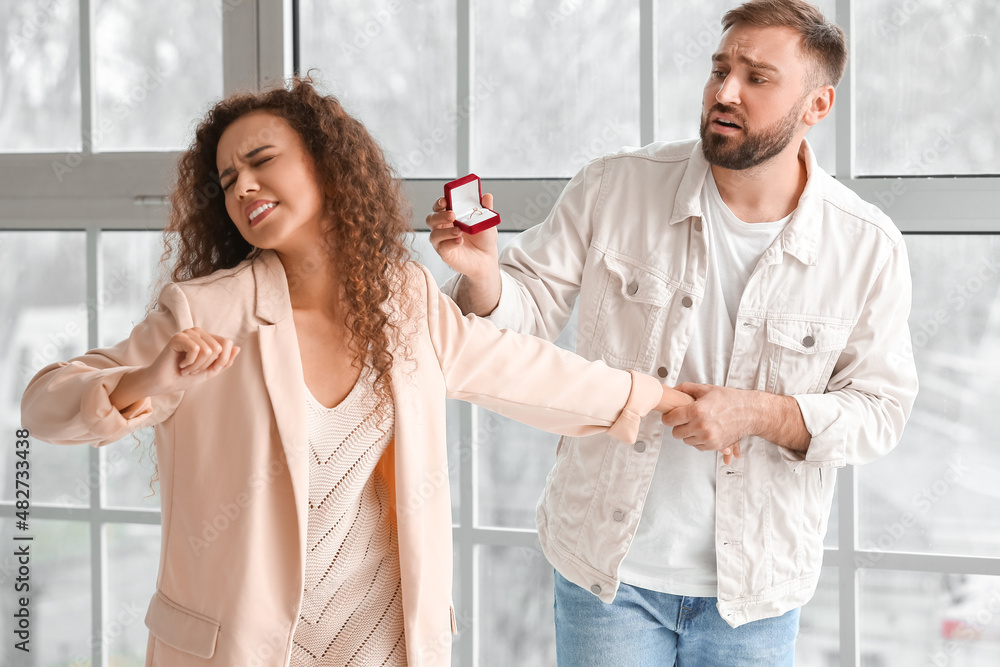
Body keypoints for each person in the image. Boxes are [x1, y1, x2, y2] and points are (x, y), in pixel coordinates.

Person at [20, 78, 690, 667]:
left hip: (382, 641)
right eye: (227, 180)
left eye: (260, 161)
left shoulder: (404, 297)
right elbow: (45, 403)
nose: (243, 186)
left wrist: (652, 392)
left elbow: (523, 370)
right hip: (244, 648)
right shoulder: (207, 311)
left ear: (324, 164)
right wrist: (150, 379)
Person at [426, 1, 919, 664]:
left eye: (757, 77)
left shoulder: (866, 245)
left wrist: (760, 413)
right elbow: (524, 314)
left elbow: (881, 410)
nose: (725, 91)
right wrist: (481, 274)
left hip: (755, 595)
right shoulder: (614, 186)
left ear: (817, 105)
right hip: (607, 573)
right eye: (721, 68)